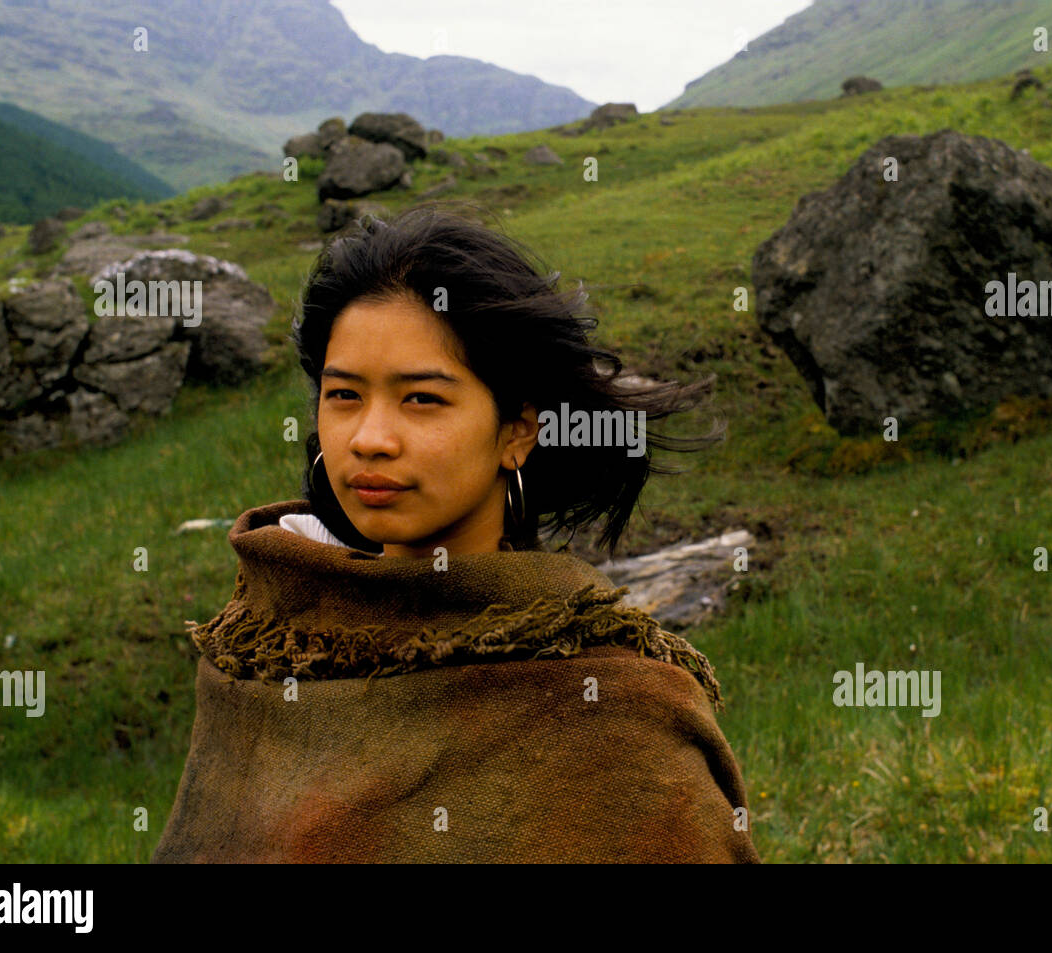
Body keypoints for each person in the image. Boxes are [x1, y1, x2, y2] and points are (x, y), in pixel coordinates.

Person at [152, 203, 760, 863]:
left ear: (517, 430)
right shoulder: (263, 644)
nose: (370, 438)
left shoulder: (616, 714)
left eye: (422, 399)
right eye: (344, 395)